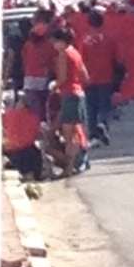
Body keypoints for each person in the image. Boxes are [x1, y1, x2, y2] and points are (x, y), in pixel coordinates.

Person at [52, 27, 90, 177]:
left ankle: (69, 168)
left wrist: (53, 86)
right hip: (79, 93)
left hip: (69, 94)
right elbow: (85, 76)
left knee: (68, 134)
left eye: (55, 41)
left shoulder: (63, 55)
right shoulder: (75, 52)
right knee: (77, 130)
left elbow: (61, 78)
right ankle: (81, 160)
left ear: (61, 41)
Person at [80, 9, 120, 146]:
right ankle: (102, 124)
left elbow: (81, 61)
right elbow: (116, 59)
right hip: (106, 77)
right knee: (105, 106)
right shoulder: (110, 39)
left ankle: (93, 134)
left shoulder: (85, 40)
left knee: (91, 108)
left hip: (89, 78)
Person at [21, 10, 55, 122]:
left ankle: (37, 129)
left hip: (29, 79)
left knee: (34, 109)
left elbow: (24, 60)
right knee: (45, 107)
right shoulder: (49, 45)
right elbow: (52, 62)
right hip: (43, 78)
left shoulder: (28, 45)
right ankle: (44, 127)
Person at [2, 100, 43, 181]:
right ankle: (32, 175)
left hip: (12, 151)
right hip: (28, 152)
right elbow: (36, 135)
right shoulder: (34, 117)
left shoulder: (9, 114)